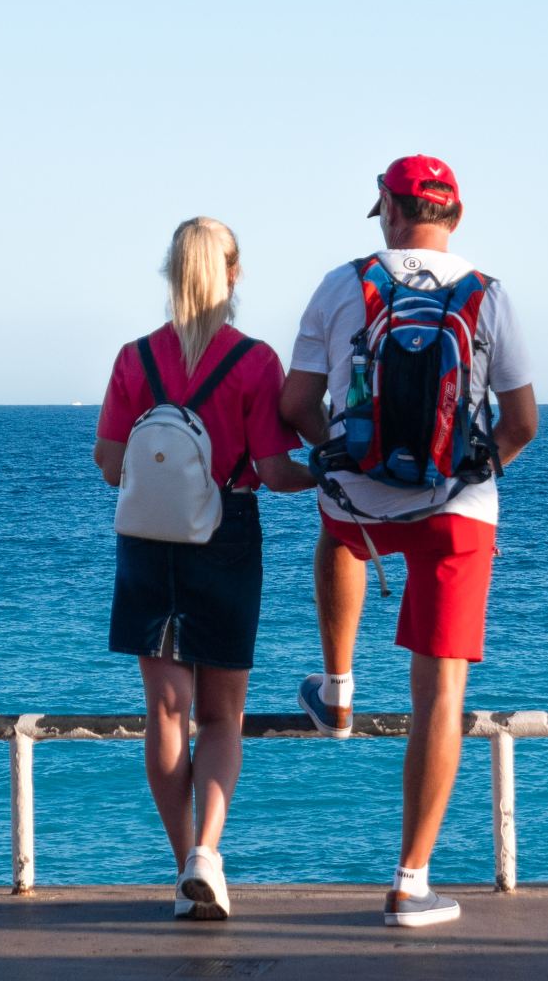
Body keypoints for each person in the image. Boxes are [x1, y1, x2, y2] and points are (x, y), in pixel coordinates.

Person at [279, 156, 539, 929]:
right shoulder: (488, 295)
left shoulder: (342, 283)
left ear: (390, 211)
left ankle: (338, 690)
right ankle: (408, 884)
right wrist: (471, 471)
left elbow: (297, 400)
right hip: (458, 513)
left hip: (359, 502)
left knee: (338, 537)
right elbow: (523, 423)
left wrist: (345, 454)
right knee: (441, 697)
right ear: (453, 214)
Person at [93, 216, 316, 922]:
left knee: (166, 713)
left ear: (168, 273)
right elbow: (276, 471)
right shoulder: (254, 363)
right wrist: (332, 477)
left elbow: (107, 466)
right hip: (226, 535)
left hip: (148, 543)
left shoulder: (135, 359)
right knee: (222, 717)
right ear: (235, 274)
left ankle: (183, 859)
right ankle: (208, 857)